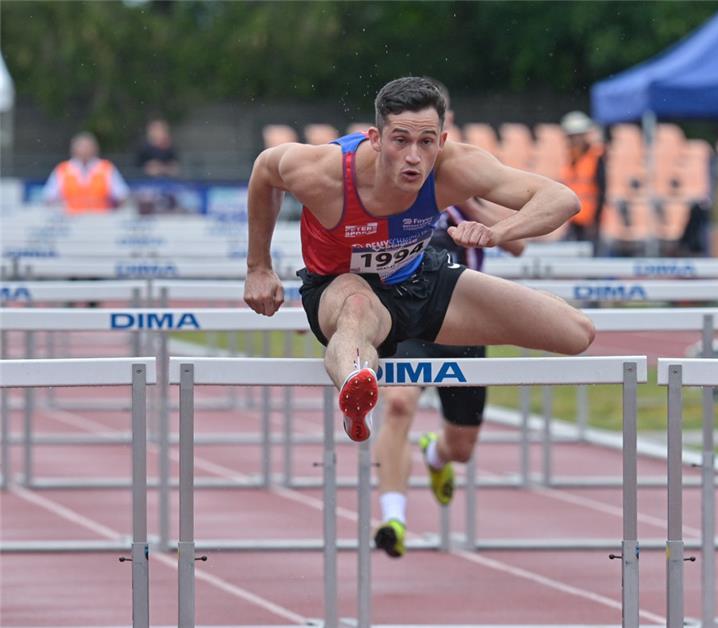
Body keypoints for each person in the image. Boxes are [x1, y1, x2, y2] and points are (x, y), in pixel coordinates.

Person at [243, 76, 595, 449]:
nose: (414, 156)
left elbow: (562, 199)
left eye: (426, 142)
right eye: (400, 141)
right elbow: (266, 171)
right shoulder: (323, 171)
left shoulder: (456, 166)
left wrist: (499, 232)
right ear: (375, 139)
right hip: (339, 286)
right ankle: (355, 391)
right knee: (357, 305)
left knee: (576, 333)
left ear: (441, 141)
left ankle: (378, 396)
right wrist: (258, 267)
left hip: (419, 279)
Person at [373, 79, 526, 558]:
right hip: (408, 320)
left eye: (433, 134)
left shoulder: (467, 177)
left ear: (445, 134)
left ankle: (435, 454)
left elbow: (518, 244)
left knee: (462, 448)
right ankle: (392, 519)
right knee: (398, 405)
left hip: (464, 322)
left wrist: (466, 201)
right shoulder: (392, 183)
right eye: (407, 137)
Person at [43, 131, 129, 213]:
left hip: (101, 220)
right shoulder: (62, 170)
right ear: (73, 149)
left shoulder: (107, 168)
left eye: (88, 146)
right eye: (81, 147)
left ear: (95, 148)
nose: (85, 150)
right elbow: (49, 198)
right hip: (70, 220)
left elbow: (122, 196)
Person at [559, 111, 606, 250]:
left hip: (590, 219)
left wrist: (596, 220)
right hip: (573, 217)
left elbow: (602, 189)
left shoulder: (596, 157)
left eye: (577, 136)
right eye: (571, 137)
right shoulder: (570, 158)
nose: (574, 140)